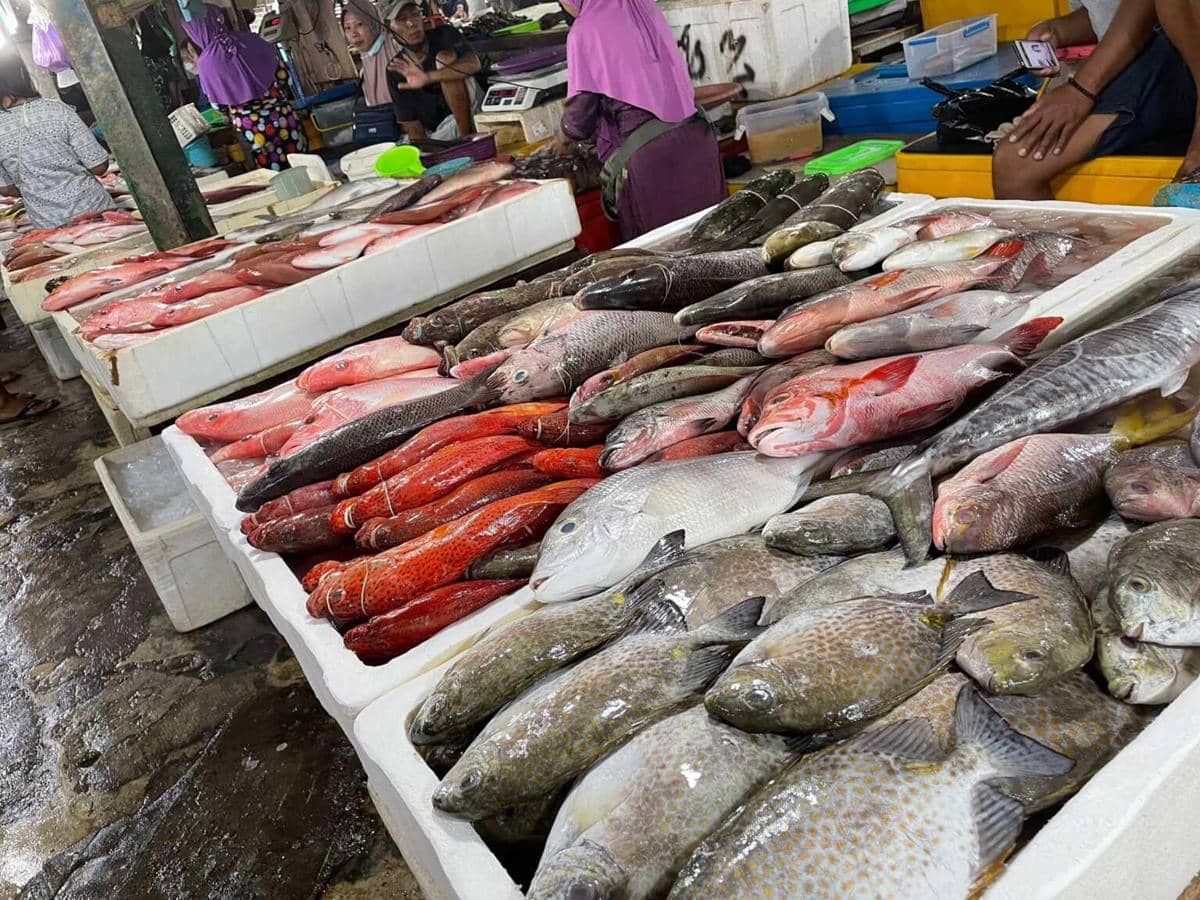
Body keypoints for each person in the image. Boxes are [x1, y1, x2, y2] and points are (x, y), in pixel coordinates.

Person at [549, 0, 724, 240]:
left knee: (662, 259)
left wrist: (563, 137)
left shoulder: (585, 30)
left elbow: (580, 115)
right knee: (714, 244)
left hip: (649, 161)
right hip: (696, 142)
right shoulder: (644, 6)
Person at [992, 0, 1199, 200]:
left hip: (1171, 53)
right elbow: (1103, 12)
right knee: (1014, 165)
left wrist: (1081, 89)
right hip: (1140, 52)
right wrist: (1058, 30)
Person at [181, 3, 307, 171]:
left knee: (276, 176)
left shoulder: (206, 62)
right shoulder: (254, 40)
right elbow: (284, 77)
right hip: (285, 118)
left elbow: (219, 106)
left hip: (254, 130)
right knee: (306, 167)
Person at [0, 54, 113, 229]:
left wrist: (38, 189)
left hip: (48, 223)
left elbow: (6, 189)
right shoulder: (57, 110)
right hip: (95, 210)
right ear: (23, 76)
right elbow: (98, 166)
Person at [386, 0, 481, 141]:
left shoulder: (445, 34)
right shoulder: (395, 70)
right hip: (440, 132)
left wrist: (429, 77)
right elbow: (414, 128)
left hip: (473, 110)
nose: (411, 23)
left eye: (414, 15)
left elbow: (474, 64)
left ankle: (467, 139)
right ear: (390, 30)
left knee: (444, 58)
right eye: (401, 19)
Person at [343, 0, 400, 114]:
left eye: (359, 24)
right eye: (347, 28)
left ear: (373, 22)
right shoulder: (365, 66)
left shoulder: (396, 46)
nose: (353, 33)